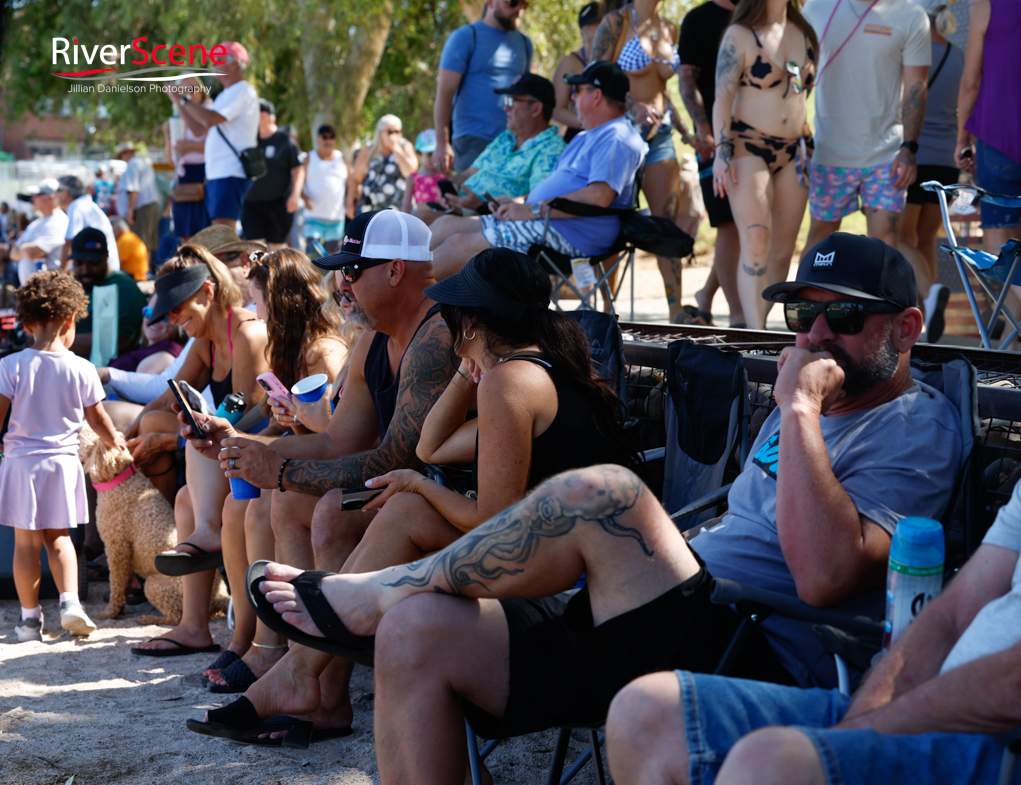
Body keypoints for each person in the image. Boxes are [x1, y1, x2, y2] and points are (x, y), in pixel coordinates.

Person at [214, 234, 964, 782]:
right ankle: (387, 604)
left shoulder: (912, 425)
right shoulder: (808, 392)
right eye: (803, 313)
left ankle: (373, 592)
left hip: (758, 642)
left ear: (904, 329)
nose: (813, 335)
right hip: (658, 608)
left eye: (842, 318)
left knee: (606, 491)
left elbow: (826, 577)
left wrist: (798, 409)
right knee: (417, 632)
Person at [166, 209, 454, 687]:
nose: (341, 285)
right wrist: (240, 442)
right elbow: (339, 440)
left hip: (446, 498)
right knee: (292, 501)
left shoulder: (435, 334)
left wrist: (278, 469)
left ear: (395, 270)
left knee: (324, 509)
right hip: (401, 488)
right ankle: (292, 662)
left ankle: (316, 683)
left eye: (351, 271)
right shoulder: (373, 340)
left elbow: (393, 460)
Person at [605, 480, 1021, 785]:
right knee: (643, 713)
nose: (807, 353)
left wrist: (858, 736)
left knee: (769, 764)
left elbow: (1011, 685)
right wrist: (866, 711)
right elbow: (953, 612)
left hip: (1001, 747)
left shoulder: (914, 430)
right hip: (923, 704)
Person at [198, 249, 348, 688]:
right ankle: (244, 637)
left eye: (257, 300)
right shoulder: (289, 350)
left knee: (263, 503)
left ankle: (271, 644)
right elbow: (274, 419)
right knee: (233, 509)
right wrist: (230, 432)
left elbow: (340, 429)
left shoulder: (325, 350)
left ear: (280, 302)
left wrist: (298, 417)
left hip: (330, 466)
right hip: (306, 457)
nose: (253, 309)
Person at [128, 245, 270, 655]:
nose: (172, 319)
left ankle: (207, 537)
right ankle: (194, 626)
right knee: (187, 496)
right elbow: (161, 398)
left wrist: (171, 437)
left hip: (260, 447)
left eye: (178, 308)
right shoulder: (210, 337)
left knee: (190, 456)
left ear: (207, 291)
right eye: (167, 312)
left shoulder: (245, 332)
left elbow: (245, 418)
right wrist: (131, 430)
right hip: (230, 451)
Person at [430, 61, 647, 282]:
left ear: (597, 95)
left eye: (578, 91)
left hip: (569, 234)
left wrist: (532, 210)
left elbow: (599, 196)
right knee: (447, 225)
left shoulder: (616, 137)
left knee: (460, 246)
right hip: (546, 222)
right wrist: (519, 206)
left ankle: (408, 299)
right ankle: (407, 290)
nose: (572, 98)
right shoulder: (586, 136)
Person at [0, 271, 124, 642]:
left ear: (24, 323)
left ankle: (27, 620)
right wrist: (116, 441)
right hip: (64, 465)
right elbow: (98, 419)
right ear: (71, 320)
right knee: (61, 539)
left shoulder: (9, 367)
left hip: (22, 465)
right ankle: (70, 603)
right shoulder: (82, 367)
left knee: (26, 544)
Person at [711, 0, 817, 330]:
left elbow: (801, 94)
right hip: (746, 145)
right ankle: (755, 335)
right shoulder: (739, 34)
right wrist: (721, 152)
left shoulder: (805, 32)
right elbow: (722, 99)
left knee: (783, 251)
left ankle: (761, 325)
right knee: (756, 240)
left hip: (794, 149)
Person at [591, 0, 697, 323]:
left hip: (660, 135)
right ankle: (606, 312)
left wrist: (687, 132)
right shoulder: (615, 23)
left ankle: (676, 310)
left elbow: (662, 92)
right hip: (619, 135)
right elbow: (593, 78)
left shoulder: (670, 28)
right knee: (611, 220)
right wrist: (630, 103)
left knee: (667, 219)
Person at [802, 0, 930, 251]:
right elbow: (799, 76)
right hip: (829, 151)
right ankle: (805, 292)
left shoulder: (911, 14)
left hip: (886, 155)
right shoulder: (815, 8)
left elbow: (917, 90)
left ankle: (879, 292)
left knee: (885, 242)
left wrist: (909, 148)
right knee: (820, 239)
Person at [899, 0, 961, 344]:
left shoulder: (911, 50)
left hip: (915, 154)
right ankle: (929, 327)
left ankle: (930, 295)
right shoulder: (958, 55)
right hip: (948, 162)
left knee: (899, 237)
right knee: (926, 239)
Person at [680, 0, 745, 327]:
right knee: (729, 225)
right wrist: (705, 131)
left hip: (759, 138)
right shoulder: (697, 19)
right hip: (714, 141)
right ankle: (738, 317)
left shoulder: (758, 13)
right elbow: (687, 83)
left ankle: (706, 295)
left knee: (745, 226)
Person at [428, 74, 565, 224]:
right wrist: (451, 187)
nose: (505, 107)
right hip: (462, 210)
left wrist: (482, 205)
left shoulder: (551, 148)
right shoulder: (506, 138)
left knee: (423, 222)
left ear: (535, 108)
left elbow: (537, 200)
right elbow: (469, 173)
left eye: (512, 101)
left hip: (496, 219)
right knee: (415, 217)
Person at [434, 0, 534, 173]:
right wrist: (442, 144)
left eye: (524, 4)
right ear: (490, 2)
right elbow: (445, 93)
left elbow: (528, 95)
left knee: (508, 201)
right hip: (473, 141)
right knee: (470, 199)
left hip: (512, 144)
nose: (519, 9)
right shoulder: (466, 37)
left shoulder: (525, 44)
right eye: (513, 3)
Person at [955, 0, 1021, 260]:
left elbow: (971, 82)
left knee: (1000, 245)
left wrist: (962, 139)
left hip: (998, 138)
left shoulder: (987, 8)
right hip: (997, 138)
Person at [169, 41, 260, 229]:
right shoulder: (226, 95)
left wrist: (184, 99)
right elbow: (198, 129)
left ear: (234, 64)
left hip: (230, 172)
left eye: (217, 60)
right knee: (218, 230)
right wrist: (178, 101)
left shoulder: (242, 90)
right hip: (220, 173)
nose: (213, 65)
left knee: (223, 231)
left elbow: (208, 120)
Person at [68, 228, 147, 361]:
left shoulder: (124, 289)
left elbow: (120, 342)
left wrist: (53, 341)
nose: (85, 269)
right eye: (78, 263)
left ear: (106, 256)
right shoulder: (74, 285)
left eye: (93, 262)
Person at [241, 100, 305, 251]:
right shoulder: (249, 140)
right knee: (254, 249)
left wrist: (295, 196)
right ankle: (258, 275)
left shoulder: (284, 141)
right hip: (251, 204)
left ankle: (276, 275)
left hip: (278, 205)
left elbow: (298, 169)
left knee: (276, 249)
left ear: (263, 116)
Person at [165, 76, 212, 243]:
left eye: (192, 89)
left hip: (205, 176)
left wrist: (190, 147)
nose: (188, 94)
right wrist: (167, 135)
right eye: (183, 90)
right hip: (183, 180)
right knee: (185, 234)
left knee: (206, 234)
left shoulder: (210, 112)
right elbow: (173, 159)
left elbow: (215, 148)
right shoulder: (177, 117)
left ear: (201, 91)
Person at [552, 3, 604, 144]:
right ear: (584, 30)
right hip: (578, 137)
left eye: (604, 21)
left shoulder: (616, 58)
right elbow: (557, 110)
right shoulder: (570, 63)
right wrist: (588, 125)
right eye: (597, 23)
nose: (604, 27)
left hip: (608, 136)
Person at [0, 179, 68, 286]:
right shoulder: (37, 223)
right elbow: (14, 253)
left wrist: (23, 250)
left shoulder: (59, 221)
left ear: (51, 197)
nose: (33, 198)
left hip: (48, 289)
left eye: (37, 195)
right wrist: (25, 250)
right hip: (30, 290)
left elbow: (32, 252)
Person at [347, 115, 418, 217]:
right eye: (389, 132)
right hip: (371, 209)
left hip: (398, 210)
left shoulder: (405, 147)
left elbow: (410, 172)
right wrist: (349, 204)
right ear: (380, 133)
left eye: (397, 132)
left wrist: (396, 149)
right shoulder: (369, 150)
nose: (393, 135)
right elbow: (356, 178)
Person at [56, 175, 121, 274]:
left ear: (65, 193)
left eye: (57, 191)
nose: (55, 194)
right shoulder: (84, 204)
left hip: (101, 270)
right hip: (103, 266)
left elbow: (69, 244)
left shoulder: (76, 206)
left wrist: (59, 276)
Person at [302, 124, 348, 254]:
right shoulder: (309, 158)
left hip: (335, 218)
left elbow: (352, 182)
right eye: (325, 137)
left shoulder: (342, 158)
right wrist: (303, 197)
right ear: (318, 140)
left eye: (331, 137)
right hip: (313, 216)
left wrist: (350, 202)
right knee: (312, 255)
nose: (328, 141)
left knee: (332, 259)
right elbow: (297, 182)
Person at [114, 141, 160, 256]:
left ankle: (143, 270)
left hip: (142, 207)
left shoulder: (133, 165)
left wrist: (130, 211)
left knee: (141, 241)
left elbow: (133, 189)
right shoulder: (142, 163)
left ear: (126, 153)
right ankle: (146, 269)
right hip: (149, 205)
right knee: (148, 241)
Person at [401, 130, 446, 219]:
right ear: (420, 153)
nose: (434, 158)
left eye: (436, 153)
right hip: (422, 221)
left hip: (442, 220)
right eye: (430, 154)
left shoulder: (445, 175)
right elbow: (406, 206)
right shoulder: (412, 178)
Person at [110, 216, 150, 282]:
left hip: (135, 276)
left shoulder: (125, 239)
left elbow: (115, 263)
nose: (111, 232)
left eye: (112, 229)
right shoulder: (128, 236)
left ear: (118, 228)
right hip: (136, 274)